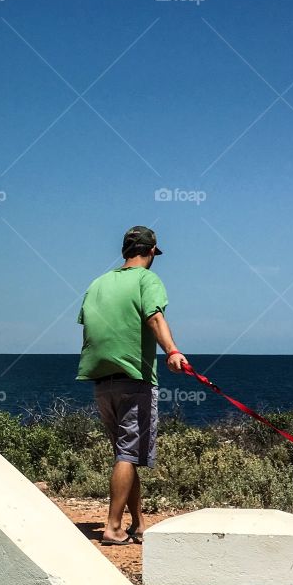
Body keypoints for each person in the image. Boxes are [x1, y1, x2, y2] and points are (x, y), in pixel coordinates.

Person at [77, 226, 188, 546]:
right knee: (128, 454)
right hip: (134, 378)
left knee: (126, 454)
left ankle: (139, 524)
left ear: (126, 250)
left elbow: (89, 326)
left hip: (102, 381)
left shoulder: (97, 283)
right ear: (152, 251)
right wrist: (172, 351)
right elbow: (154, 317)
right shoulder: (147, 280)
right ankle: (113, 528)